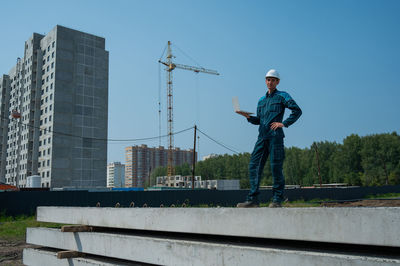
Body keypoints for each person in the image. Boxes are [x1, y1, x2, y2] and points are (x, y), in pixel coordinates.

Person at [236, 69, 302, 208]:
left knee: (275, 168)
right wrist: (247, 116)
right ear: (265, 81)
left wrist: (284, 123)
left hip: (275, 137)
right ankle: (253, 200)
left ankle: (277, 199)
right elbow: (259, 120)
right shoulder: (261, 100)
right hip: (262, 137)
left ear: (277, 82)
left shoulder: (283, 96)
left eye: (272, 79)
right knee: (254, 166)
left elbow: (297, 110)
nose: (269, 82)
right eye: (267, 79)